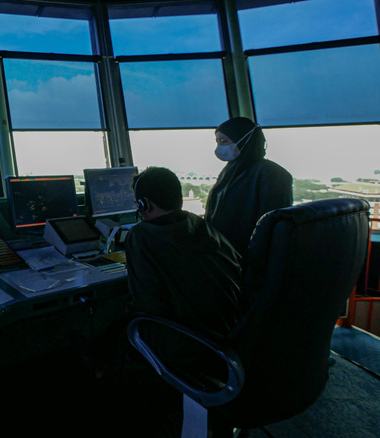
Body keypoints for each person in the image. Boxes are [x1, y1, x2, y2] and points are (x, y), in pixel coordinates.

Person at [82, 166, 244, 435]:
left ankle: (106, 376)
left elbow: (148, 306)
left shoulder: (143, 236)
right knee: (114, 328)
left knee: (121, 323)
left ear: (144, 204)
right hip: (231, 334)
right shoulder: (201, 225)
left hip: (191, 344)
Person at [205, 116, 293, 260]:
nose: (219, 147)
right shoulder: (230, 170)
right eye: (218, 142)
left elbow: (270, 225)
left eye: (224, 141)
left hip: (248, 257)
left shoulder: (272, 174)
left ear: (244, 140)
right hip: (223, 252)